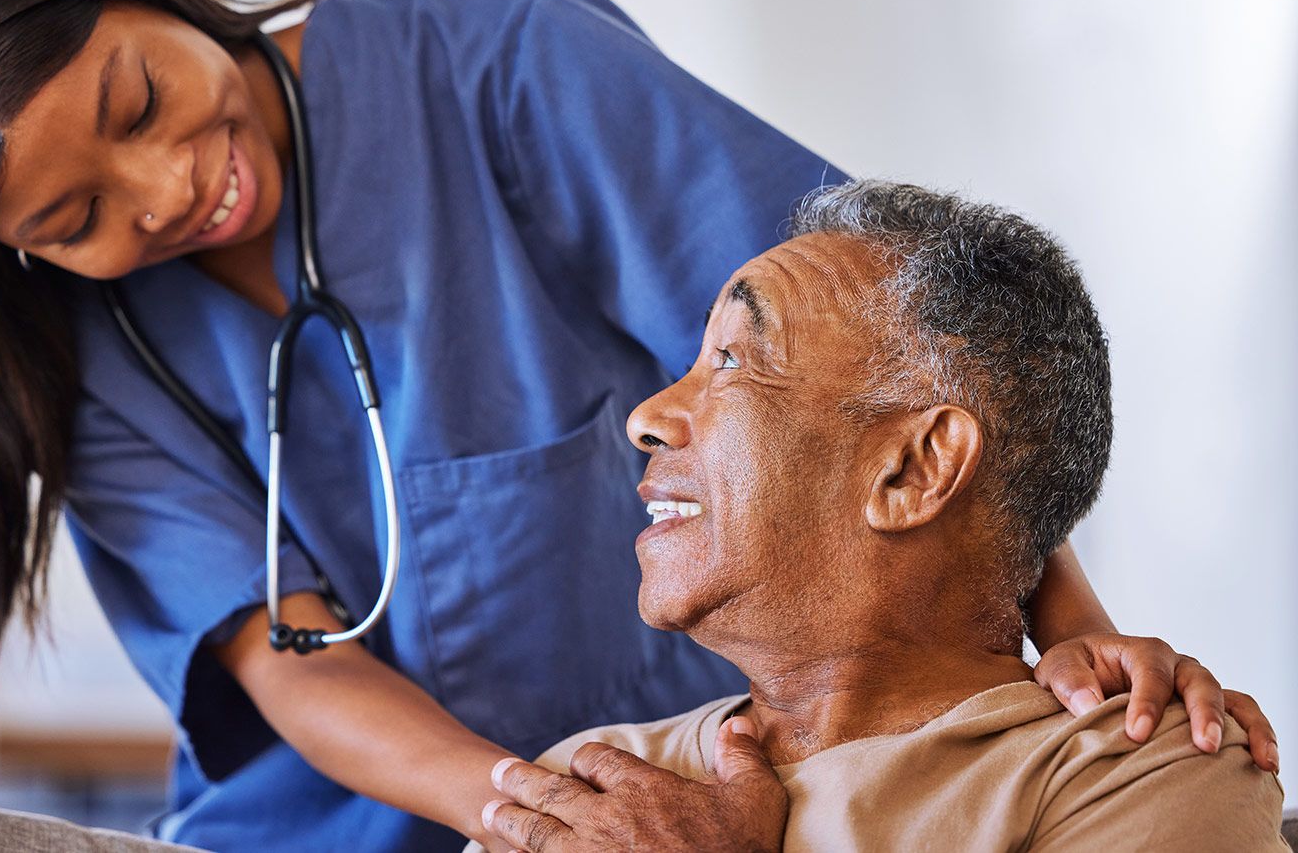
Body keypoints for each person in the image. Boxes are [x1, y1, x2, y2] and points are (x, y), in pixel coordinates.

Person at [0, 0, 1277, 851]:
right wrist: (552, 819)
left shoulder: (499, 72)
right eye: (72, 222)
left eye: (141, 106)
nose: (166, 197)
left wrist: (1072, 644)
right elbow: (290, 669)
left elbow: (886, 361)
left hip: (699, 798)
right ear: (6, 258)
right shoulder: (90, 353)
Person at [478, 181, 1289, 853]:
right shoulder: (592, 786)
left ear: (913, 469)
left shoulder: (1141, 774)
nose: (648, 417)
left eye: (730, 360)